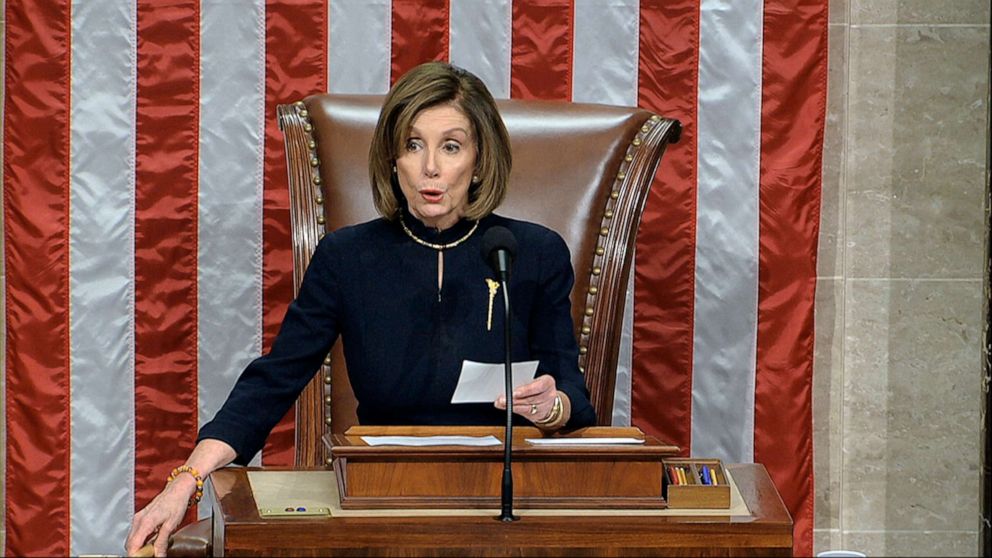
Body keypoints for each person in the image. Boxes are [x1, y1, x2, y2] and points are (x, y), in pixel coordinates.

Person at [125, 61, 596, 556]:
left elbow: (575, 399)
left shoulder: (531, 252)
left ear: (479, 161)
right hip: (383, 496)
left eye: (451, 146)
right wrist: (185, 482)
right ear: (393, 159)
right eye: (413, 145)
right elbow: (273, 381)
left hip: (508, 497)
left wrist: (551, 406)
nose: (430, 167)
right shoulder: (348, 258)